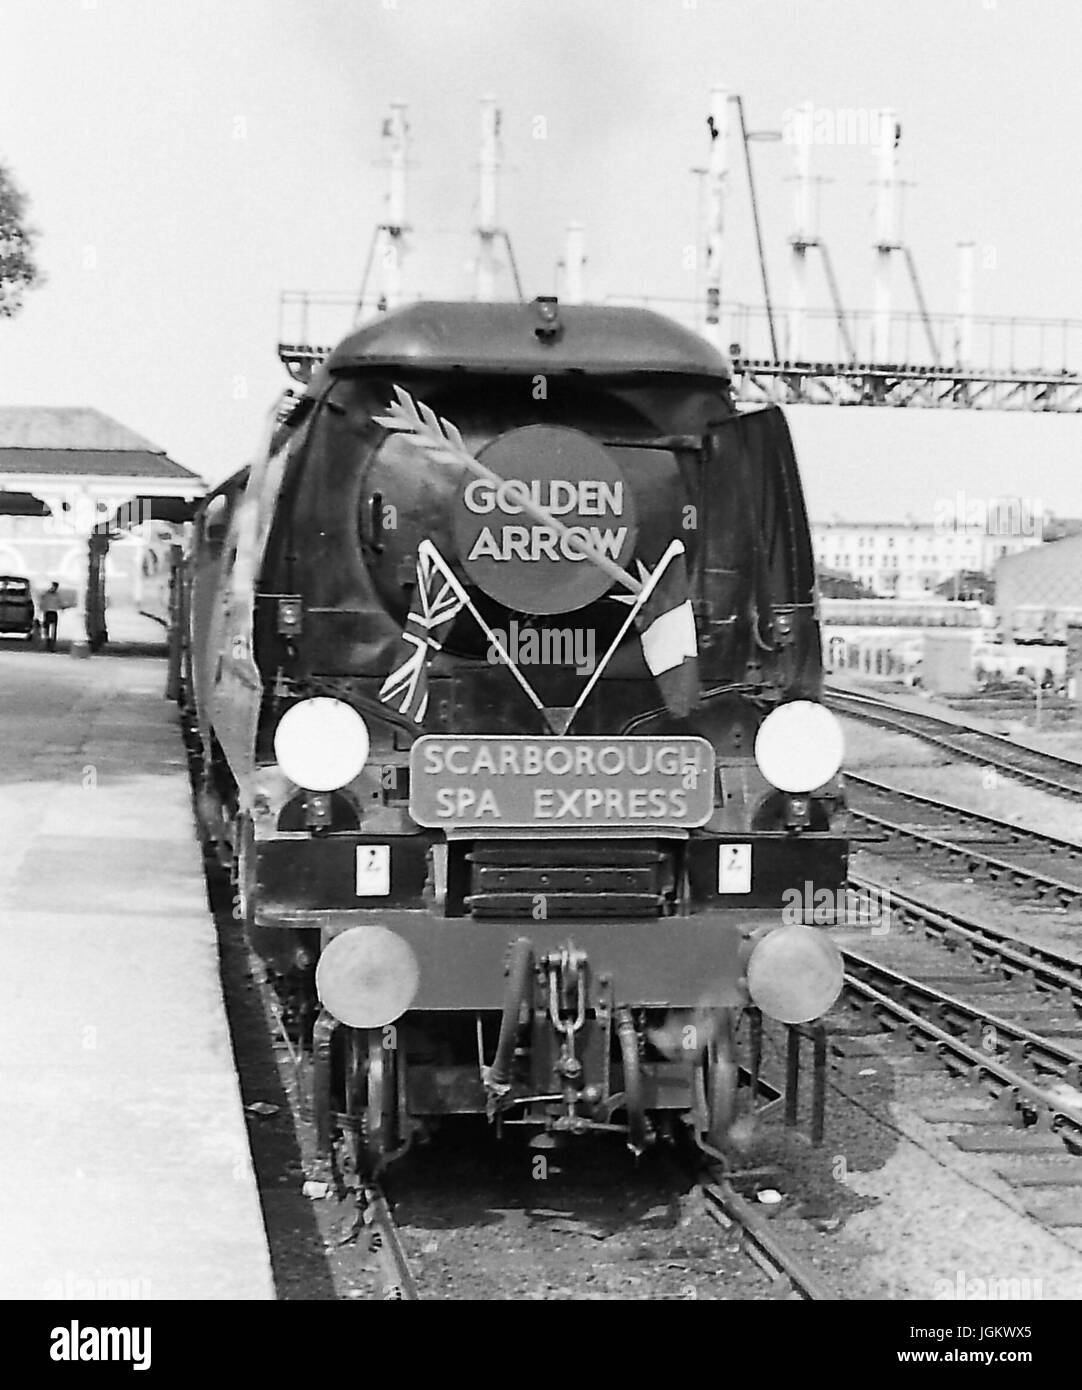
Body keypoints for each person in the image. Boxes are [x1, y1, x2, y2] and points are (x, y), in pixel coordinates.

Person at [41, 581, 61, 651]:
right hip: (48, 612)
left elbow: (59, 603)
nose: (54, 588)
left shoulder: (56, 595)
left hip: (53, 612)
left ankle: (52, 645)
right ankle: (48, 643)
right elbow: (43, 602)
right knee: (47, 629)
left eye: (55, 587)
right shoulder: (47, 594)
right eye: (54, 587)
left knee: (53, 630)